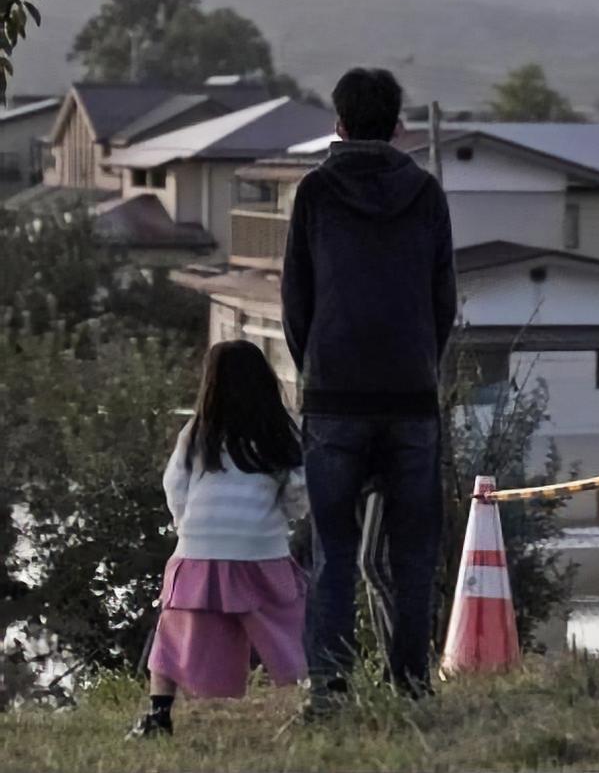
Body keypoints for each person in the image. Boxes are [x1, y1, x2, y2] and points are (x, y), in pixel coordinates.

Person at [281, 67, 457, 708]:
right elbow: (445, 300)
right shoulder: (426, 193)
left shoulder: (315, 193)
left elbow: (295, 301)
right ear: (399, 127)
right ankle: (412, 686)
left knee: (332, 551)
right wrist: (420, 367)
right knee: (413, 552)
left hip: (334, 400)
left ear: (340, 124)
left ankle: (328, 689)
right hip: (411, 397)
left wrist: (317, 369)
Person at [128, 341, 307, 739]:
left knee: (174, 632)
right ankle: (305, 699)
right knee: (286, 630)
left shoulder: (198, 431)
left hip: (200, 548)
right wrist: (287, 519)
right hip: (261, 549)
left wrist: (185, 527)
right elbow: (299, 489)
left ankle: (159, 714)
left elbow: (174, 485)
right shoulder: (281, 429)